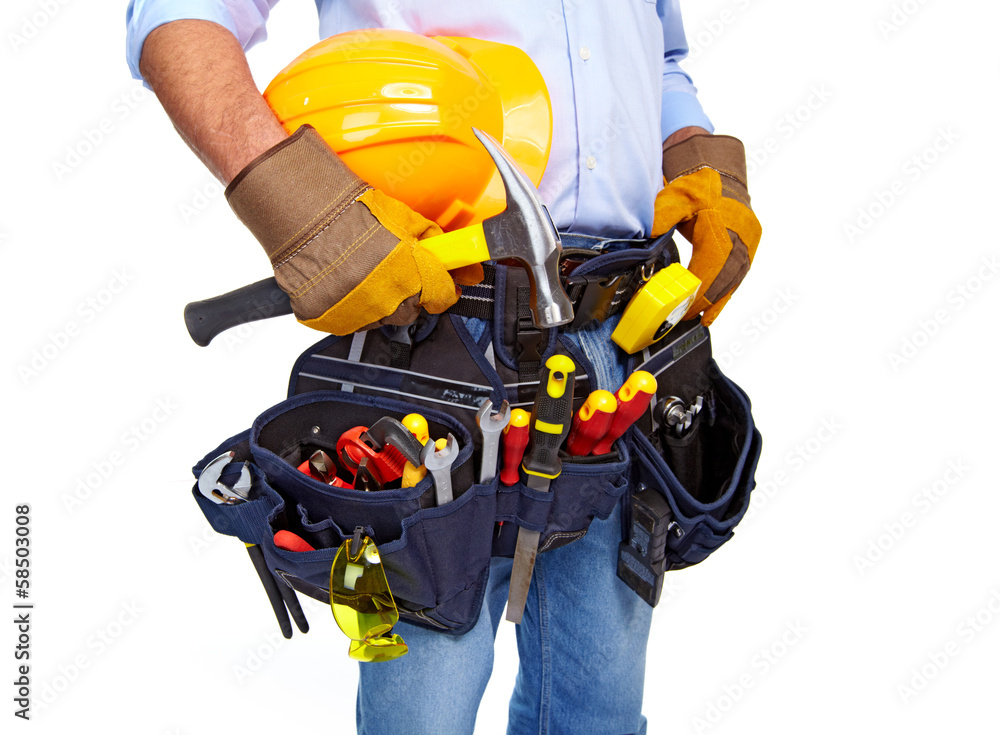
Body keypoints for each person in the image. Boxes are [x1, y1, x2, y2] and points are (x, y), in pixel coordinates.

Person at [125, 2, 761, 733]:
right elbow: (179, 18)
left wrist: (703, 165)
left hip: (624, 335)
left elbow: (662, 61)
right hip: (431, 337)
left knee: (601, 712)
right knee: (424, 712)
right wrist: (303, 212)